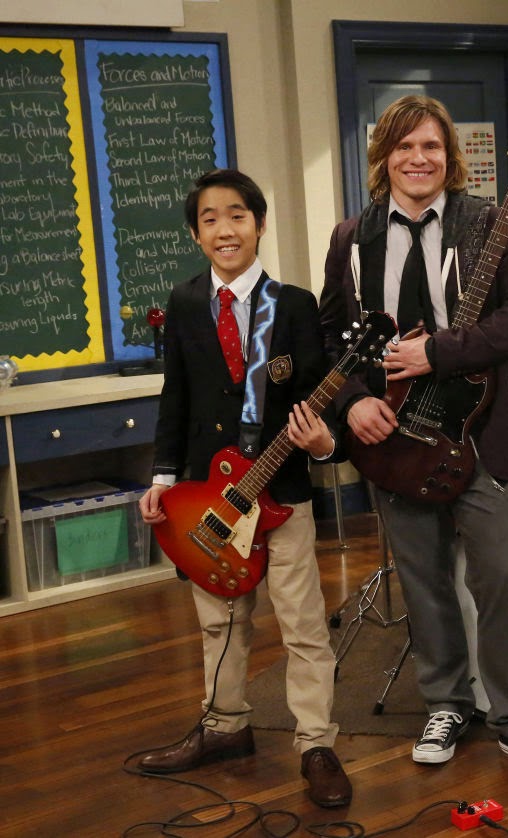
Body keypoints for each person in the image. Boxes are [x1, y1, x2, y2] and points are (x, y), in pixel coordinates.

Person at [317, 95, 508, 778]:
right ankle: (446, 703)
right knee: (423, 580)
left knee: (502, 576)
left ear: (449, 154)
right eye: (404, 147)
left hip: (486, 434)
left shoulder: (487, 222)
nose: (418, 158)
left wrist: (438, 352)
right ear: (384, 157)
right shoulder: (352, 238)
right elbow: (330, 338)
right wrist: (354, 403)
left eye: (430, 145)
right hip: (395, 435)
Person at [137, 169, 352, 809]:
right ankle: (224, 726)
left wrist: (324, 442)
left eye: (237, 215)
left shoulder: (295, 306)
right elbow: (175, 397)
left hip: (282, 490)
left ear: (259, 224)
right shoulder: (183, 304)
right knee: (220, 623)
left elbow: (318, 394)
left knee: (303, 624)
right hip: (211, 497)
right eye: (209, 219)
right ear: (195, 234)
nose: (224, 229)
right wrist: (163, 478)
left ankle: (316, 744)